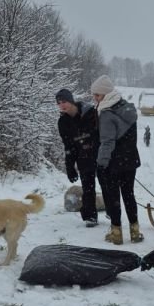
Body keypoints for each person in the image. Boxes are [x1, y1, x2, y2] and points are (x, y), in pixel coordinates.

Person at [90, 74, 144, 246]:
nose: (95, 98)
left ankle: (116, 234)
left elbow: (107, 142)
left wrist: (101, 163)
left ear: (106, 94)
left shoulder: (106, 114)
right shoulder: (128, 108)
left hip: (113, 163)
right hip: (130, 161)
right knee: (129, 195)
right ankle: (135, 232)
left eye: (97, 95)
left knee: (113, 197)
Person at [56, 88, 99, 228]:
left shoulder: (90, 112)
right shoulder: (63, 122)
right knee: (88, 187)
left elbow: (101, 134)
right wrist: (70, 167)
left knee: (107, 184)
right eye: (59, 103)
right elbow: (69, 146)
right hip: (83, 157)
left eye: (64, 101)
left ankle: (112, 211)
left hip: (99, 154)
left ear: (71, 100)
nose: (62, 105)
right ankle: (90, 216)